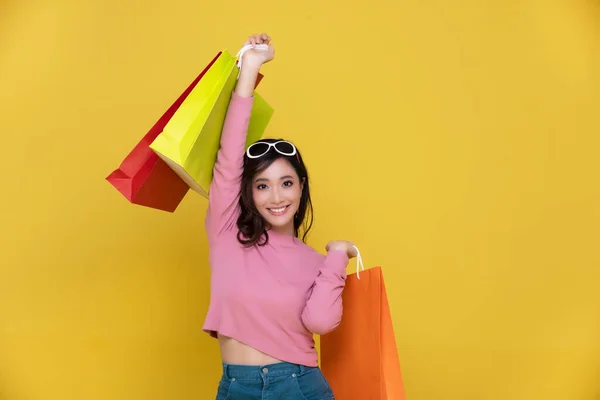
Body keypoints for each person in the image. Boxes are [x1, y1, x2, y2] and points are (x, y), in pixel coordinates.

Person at [202, 32, 357, 400]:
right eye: (262, 185)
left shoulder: (317, 262)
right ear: (247, 192)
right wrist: (250, 69)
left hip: (299, 386)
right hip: (236, 387)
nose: (276, 196)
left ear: (301, 187)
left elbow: (320, 323)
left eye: (286, 183)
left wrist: (337, 257)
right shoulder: (227, 233)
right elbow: (228, 159)